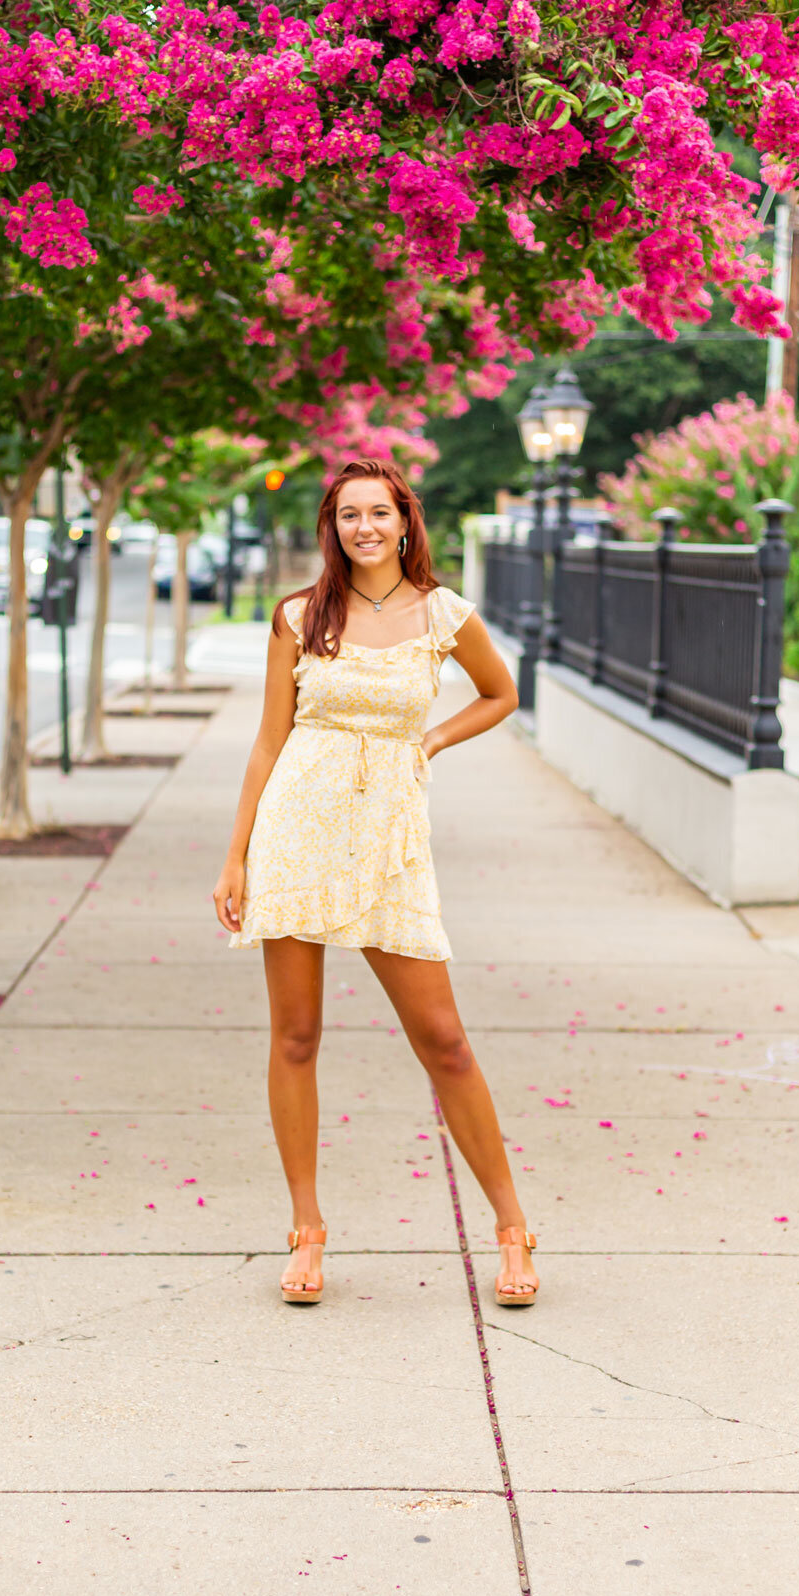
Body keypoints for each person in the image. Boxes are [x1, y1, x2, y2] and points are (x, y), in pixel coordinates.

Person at [212, 458, 538, 1310]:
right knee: (296, 1037)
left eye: (378, 513)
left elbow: (500, 694)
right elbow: (266, 743)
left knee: (445, 1040)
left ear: (404, 521)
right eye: (348, 514)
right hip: (296, 831)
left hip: (389, 842)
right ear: (334, 524)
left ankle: (511, 1226)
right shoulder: (298, 615)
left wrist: (427, 743)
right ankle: (307, 1228)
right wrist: (237, 854)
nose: (364, 527)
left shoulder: (443, 612)